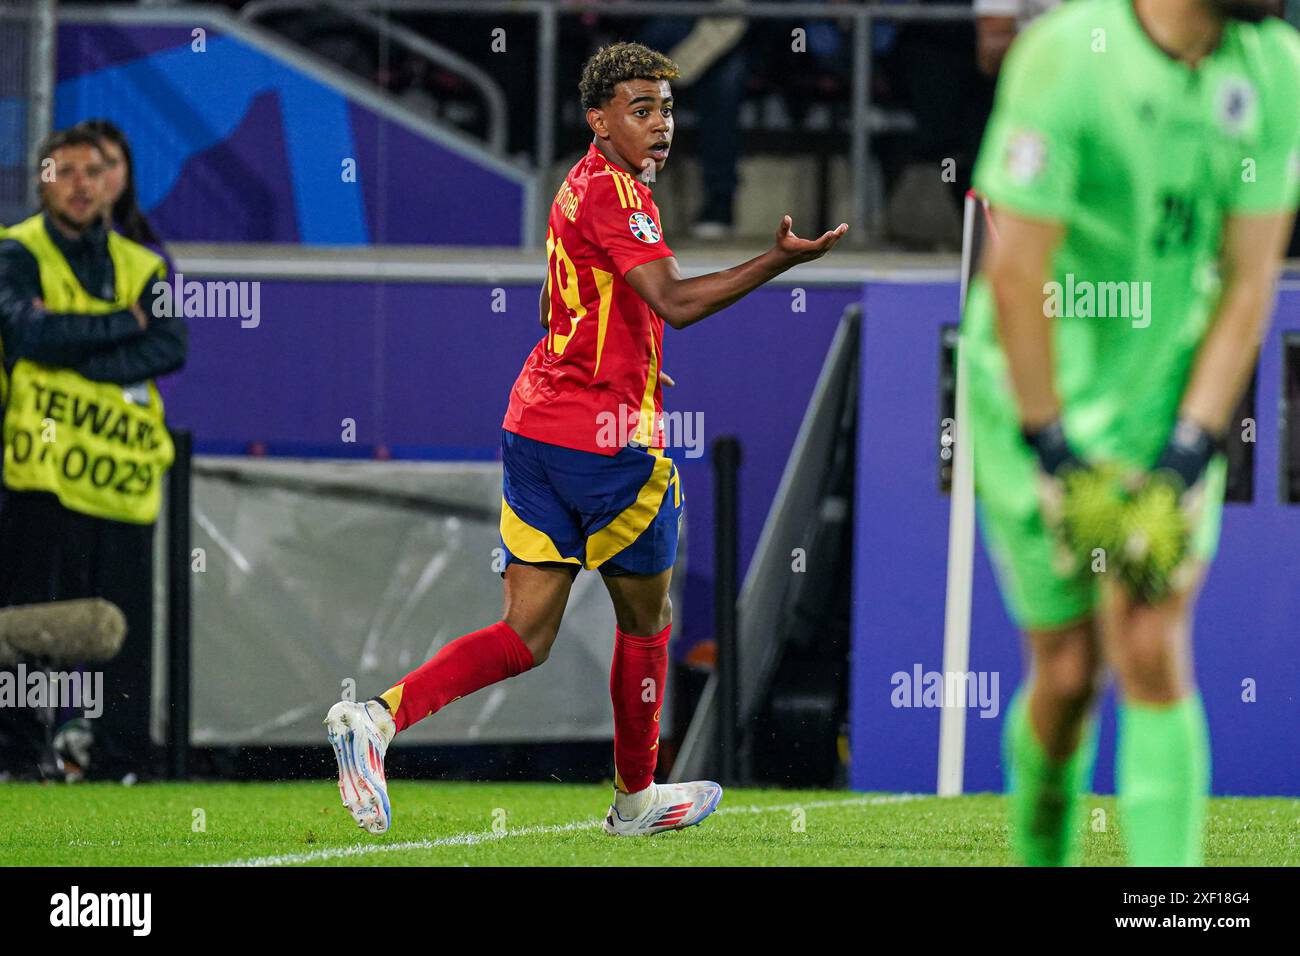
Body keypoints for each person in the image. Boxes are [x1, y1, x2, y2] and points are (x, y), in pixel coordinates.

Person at [326, 41, 847, 836]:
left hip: (535, 427)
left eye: (668, 111)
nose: (660, 126)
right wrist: (776, 260)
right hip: (607, 447)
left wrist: (629, 362)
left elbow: (554, 307)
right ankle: (635, 797)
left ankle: (378, 719)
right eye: (641, 111)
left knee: (524, 634)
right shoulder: (622, 197)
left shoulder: (577, 184)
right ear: (599, 119)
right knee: (647, 620)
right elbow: (672, 301)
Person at [963, 0, 1299, 865]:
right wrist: (1053, 449)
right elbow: (1016, 272)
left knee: (1150, 639)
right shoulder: (1065, 58)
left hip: (1166, 398)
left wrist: (1190, 448)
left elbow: (1249, 285)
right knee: (1069, 675)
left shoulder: (1277, 69)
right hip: (1035, 400)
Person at [0, 127, 188, 781]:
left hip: (120, 472)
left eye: (95, 170)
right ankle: (19, 756)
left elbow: (171, 346)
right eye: (65, 170)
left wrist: (73, 346)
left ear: (114, 182)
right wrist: (123, 324)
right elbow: (26, 332)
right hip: (39, 471)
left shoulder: (146, 264)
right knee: (28, 621)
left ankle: (118, 760)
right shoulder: (15, 252)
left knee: (126, 628)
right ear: (42, 180)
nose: (81, 183)